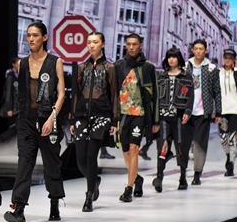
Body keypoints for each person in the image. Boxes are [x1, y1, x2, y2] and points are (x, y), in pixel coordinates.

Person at [4, 23, 66, 222]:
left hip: (48, 118)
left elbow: (61, 94)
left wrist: (51, 118)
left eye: (35, 35)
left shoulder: (55, 62)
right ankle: (18, 209)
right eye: (28, 35)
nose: (30, 39)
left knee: (52, 164)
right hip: (26, 121)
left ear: (45, 37)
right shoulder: (22, 64)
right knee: (24, 164)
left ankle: (55, 203)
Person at [70, 32, 118, 212]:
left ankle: (89, 196)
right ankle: (94, 180)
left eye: (95, 42)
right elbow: (75, 94)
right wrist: (73, 118)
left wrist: (114, 121)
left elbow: (114, 95)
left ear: (103, 44)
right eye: (89, 42)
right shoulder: (81, 67)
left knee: (91, 156)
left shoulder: (110, 67)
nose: (91, 45)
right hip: (82, 116)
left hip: (102, 116)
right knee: (80, 159)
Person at [115, 33, 159, 202]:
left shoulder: (148, 67)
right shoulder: (119, 65)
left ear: (141, 45)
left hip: (140, 114)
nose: (131, 47)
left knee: (134, 148)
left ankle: (129, 189)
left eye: (134, 44)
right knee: (125, 150)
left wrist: (155, 120)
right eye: (128, 44)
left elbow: (155, 95)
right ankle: (137, 178)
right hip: (123, 114)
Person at [183, 39, 222, 186]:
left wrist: (218, 112)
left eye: (201, 49)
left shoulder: (211, 68)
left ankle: (197, 174)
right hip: (186, 111)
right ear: (192, 50)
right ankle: (182, 172)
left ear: (206, 50)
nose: (198, 51)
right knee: (184, 144)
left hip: (203, 111)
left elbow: (217, 91)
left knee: (200, 143)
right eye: (196, 49)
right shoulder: (186, 66)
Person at [155, 47, 194, 191]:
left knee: (181, 147)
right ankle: (159, 177)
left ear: (179, 59)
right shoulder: (162, 76)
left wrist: (188, 112)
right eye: (169, 57)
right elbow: (156, 98)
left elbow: (190, 96)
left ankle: (183, 177)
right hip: (163, 116)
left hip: (179, 116)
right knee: (162, 146)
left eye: (174, 57)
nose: (171, 60)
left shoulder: (186, 76)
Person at [218, 48, 237, 176]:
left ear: (234, 60)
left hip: (235, 109)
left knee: (232, 139)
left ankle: (230, 165)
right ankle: (229, 156)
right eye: (226, 58)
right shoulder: (217, 73)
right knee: (223, 139)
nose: (227, 60)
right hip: (222, 110)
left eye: (230, 58)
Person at [0, 56, 20, 152]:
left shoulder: (19, 76)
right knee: (19, 127)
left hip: (19, 107)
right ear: (14, 64)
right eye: (19, 63)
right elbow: (8, 93)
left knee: (19, 127)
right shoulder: (10, 76)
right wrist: (9, 108)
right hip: (14, 108)